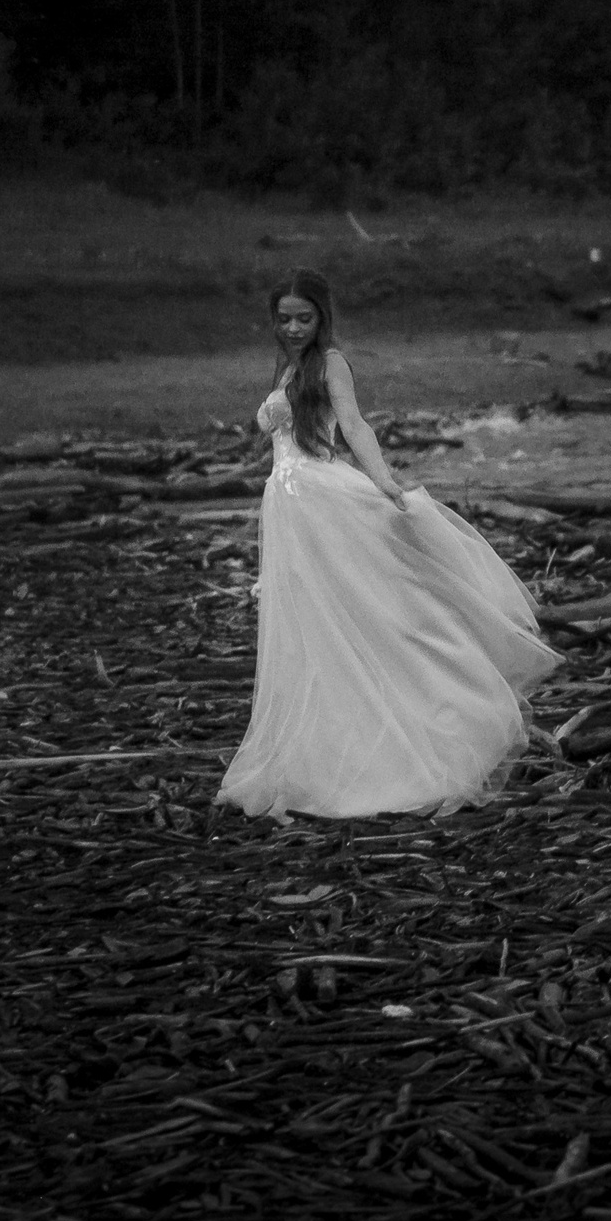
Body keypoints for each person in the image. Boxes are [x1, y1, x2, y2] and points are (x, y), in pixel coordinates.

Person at [217, 272, 559, 819]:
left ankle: (444, 717)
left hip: (321, 497)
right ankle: (324, 744)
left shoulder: (331, 363)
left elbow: (354, 425)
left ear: (322, 317)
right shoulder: (288, 367)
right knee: (310, 623)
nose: (294, 326)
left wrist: (383, 480)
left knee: (367, 608)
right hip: (290, 507)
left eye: (304, 317)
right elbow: (277, 434)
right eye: (284, 318)